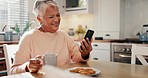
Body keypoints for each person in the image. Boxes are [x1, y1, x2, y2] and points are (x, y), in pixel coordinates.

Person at [11, 0, 93, 74]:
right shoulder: (28, 38)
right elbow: (13, 71)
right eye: (51, 17)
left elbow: (77, 57)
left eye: (58, 15)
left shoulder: (63, 36)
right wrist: (27, 66)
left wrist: (84, 54)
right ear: (39, 19)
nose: (57, 19)